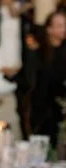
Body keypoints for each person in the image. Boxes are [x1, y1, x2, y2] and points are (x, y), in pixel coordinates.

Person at [24, 10, 66, 148]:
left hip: (61, 108)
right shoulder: (39, 52)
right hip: (42, 109)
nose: (64, 29)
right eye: (59, 26)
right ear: (49, 29)